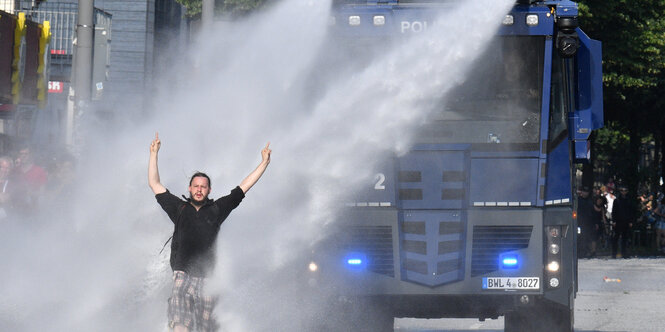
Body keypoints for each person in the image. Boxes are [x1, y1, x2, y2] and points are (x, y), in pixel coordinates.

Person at [148, 133, 271, 332]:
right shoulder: (179, 208)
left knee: (205, 327)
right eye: (195, 186)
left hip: (207, 280)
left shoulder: (217, 209)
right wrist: (154, 154)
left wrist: (264, 163)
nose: (199, 190)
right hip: (182, 273)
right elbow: (155, 184)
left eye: (203, 187)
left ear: (209, 190)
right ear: (189, 188)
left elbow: (243, 187)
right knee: (180, 323)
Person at [611, 186, 634, 258]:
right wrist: (614, 220)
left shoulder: (629, 200)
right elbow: (614, 211)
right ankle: (614, 253)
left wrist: (630, 221)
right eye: (622, 191)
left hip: (626, 221)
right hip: (618, 221)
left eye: (625, 190)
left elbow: (630, 211)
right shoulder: (616, 200)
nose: (623, 192)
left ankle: (624, 253)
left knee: (625, 238)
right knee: (616, 237)